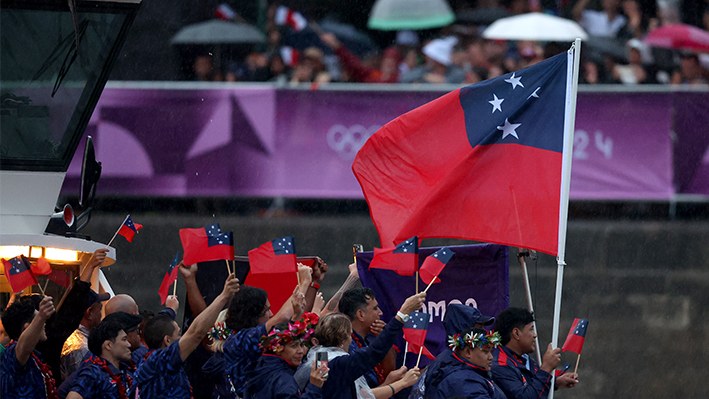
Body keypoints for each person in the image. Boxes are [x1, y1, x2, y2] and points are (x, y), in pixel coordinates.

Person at [133, 273, 239, 398]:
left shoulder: (146, 359)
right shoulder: (159, 361)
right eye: (179, 334)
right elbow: (196, 333)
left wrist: (171, 310)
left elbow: (160, 326)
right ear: (167, 340)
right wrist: (224, 296)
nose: (182, 338)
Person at [307, 292, 426, 399]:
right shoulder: (337, 364)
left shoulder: (320, 359)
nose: (380, 312)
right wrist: (402, 314)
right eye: (375, 308)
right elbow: (374, 353)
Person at [217, 266, 313, 397]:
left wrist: (315, 283)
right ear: (253, 314)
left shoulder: (253, 337)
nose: (271, 313)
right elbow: (283, 317)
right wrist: (304, 283)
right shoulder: (240, 340)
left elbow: (289, 332)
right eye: (266, 310)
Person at [243, 294, 327, 399]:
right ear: (277, 349)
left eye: (301, 345)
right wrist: (314, 387)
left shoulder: (260, 366)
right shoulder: (283, 380)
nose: (301, 351)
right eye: (294, 346)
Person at [490, 308, 578, 399]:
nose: (535, 335)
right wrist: (546, 368)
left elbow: (533, 383)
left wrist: (555, 382)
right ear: (516, 333)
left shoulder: (525, 358)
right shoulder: (500, 365)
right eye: (531, 329)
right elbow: (526, 396)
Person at [64, 313, 142, 399]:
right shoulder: (93, 374)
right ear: (108, 345)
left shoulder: (125, 372)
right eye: (124, 339)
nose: (129, 345)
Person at [0, 295, 57, 398]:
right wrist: (41, 316)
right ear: (27, 327)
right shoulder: (12, 352)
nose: (44, 324)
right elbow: (22, 348)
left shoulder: (32, 356)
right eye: (38, 321)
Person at [60, 289, 111, 379]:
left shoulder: (83, 340)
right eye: (99, 310)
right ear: (89, 313)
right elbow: (82, 383)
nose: (101, 316)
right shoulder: (80, 347)